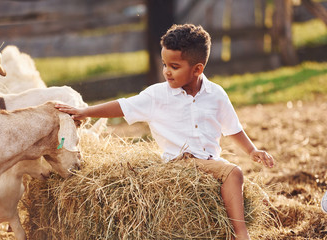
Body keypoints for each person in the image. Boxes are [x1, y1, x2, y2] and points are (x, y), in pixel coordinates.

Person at [56, 23, 274, 240]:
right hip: (181, 163)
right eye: (164, 64)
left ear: (197, 69)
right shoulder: (157, 96)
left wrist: (251, 150)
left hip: (209, 161)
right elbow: (123, 106)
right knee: (233, 173)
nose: (167, 72)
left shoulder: (216, 94)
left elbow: (232, 127)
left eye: (175, 66)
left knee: (236, 178)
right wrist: (85, 112)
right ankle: (241, 235)